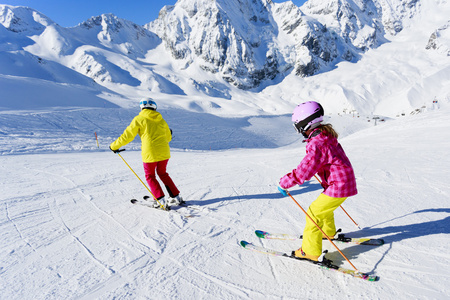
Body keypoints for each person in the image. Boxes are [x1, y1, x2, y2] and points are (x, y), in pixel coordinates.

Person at [278, 101, 357, 261]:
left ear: (305, 123)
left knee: (313, 214)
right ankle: (327, 232)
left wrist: (285, 182)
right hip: (343, 182)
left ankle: (310, 251)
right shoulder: (325, 135)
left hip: (338, 185)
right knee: (323, 210)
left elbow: (304, 171)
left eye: (297, 125)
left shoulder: (318, 144)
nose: (297, 130)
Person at [110, 98, 183, 209]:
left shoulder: (139, 119)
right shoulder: (161, 120)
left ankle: (160, 200)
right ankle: (176, 196)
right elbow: (168, 137)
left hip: (150, 153)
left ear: (141, 107)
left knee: (150, 176)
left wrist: (114, 146)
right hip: (164, 152)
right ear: (154, 107)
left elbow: (127, 136)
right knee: (163, 173)